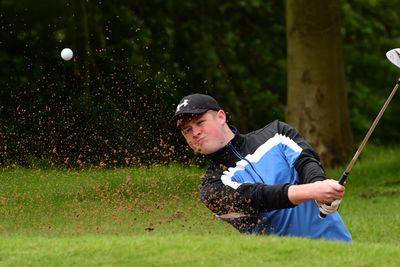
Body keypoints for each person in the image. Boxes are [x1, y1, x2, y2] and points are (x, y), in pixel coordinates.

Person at [171, 93, 352, 242]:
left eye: (200, 122)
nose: (195, 133)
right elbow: (258, 197)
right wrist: (313, 191)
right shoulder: (212, 188)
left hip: (338, 249)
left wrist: (321, 187)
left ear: (221, 116)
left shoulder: (277, 134)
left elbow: (306, 161)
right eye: (187, 130)